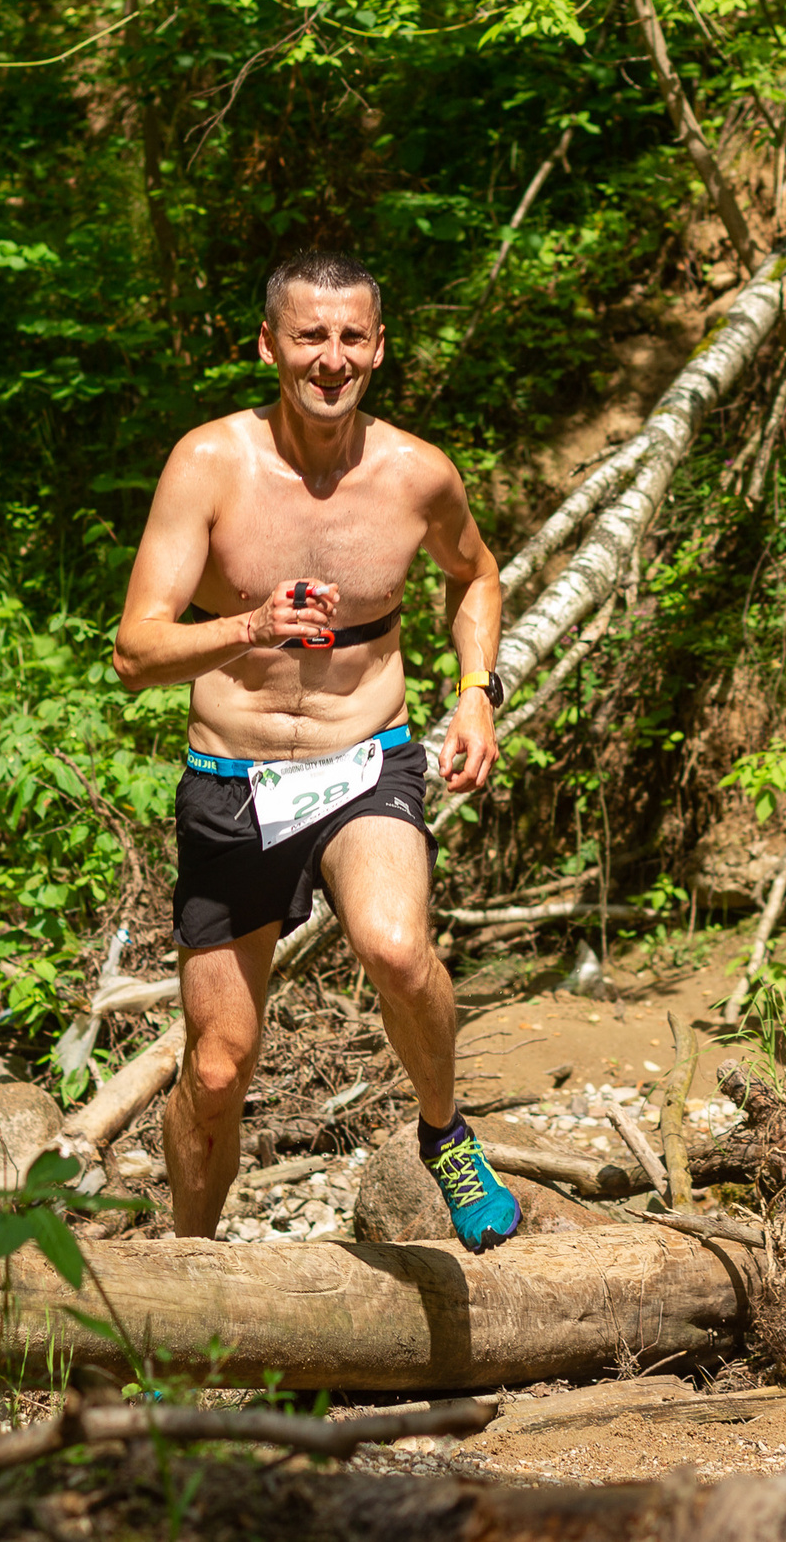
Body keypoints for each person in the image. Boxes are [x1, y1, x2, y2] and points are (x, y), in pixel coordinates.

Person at [110, 250, 521, 1252]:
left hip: (360, 760)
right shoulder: (209, 465)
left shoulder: (415, 474)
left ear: (376, 347)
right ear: (269, 345)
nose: (330, 360)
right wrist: (245, 627)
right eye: (309, 337)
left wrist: (475, 693)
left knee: (392, 946)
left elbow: (477, 578)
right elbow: (135, 652)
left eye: (350, 338)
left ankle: (445, 1134)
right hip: (232, 782)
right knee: (215, 1069)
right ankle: (193, 1263)